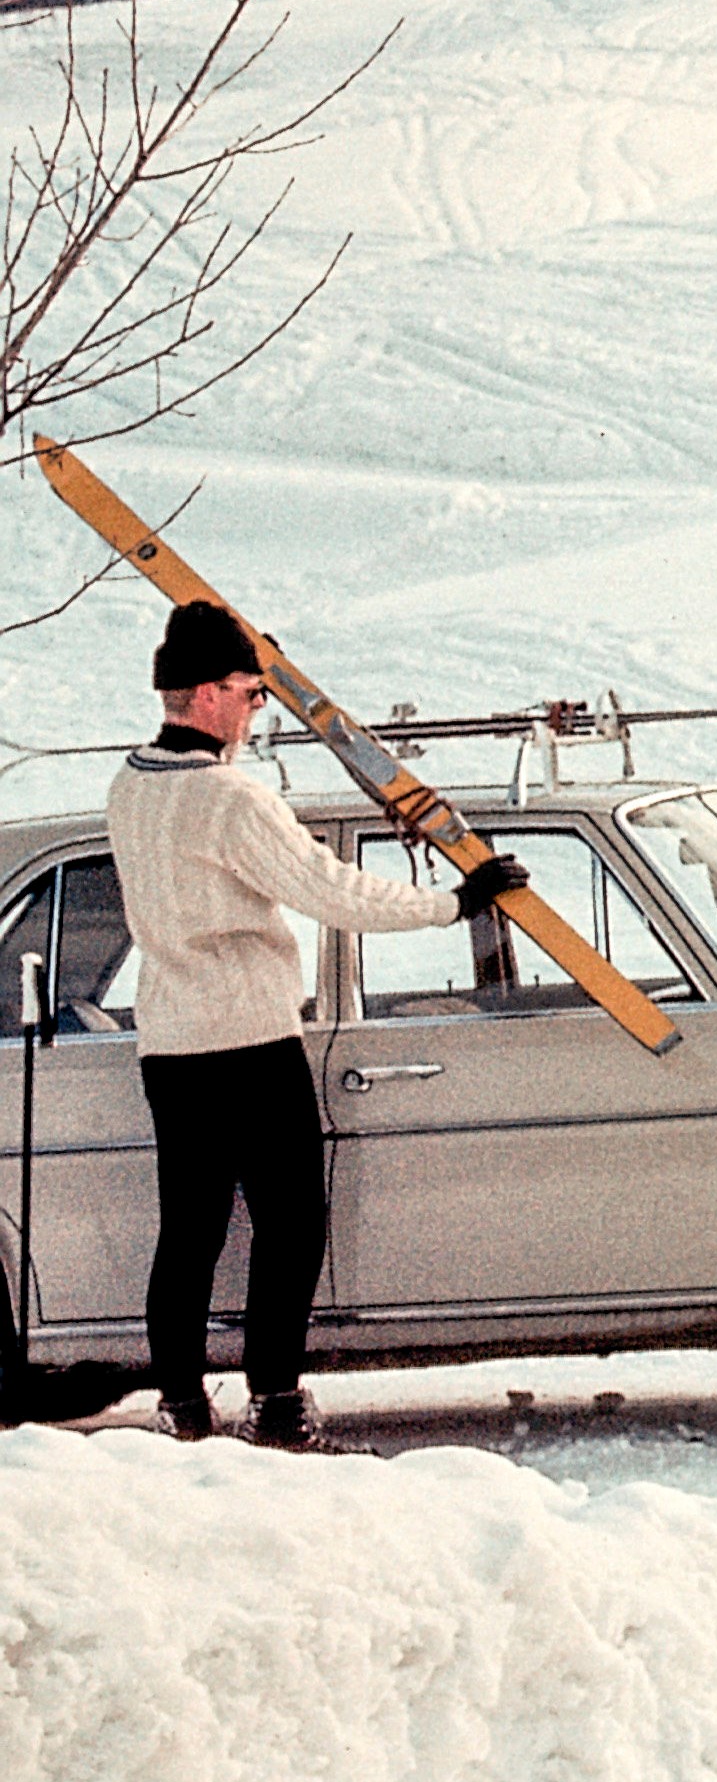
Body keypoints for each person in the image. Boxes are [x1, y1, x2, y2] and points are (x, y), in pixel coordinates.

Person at [106, 598, 526, 1446]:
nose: (259, 710)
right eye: (253, 693)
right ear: (210, 694)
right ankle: (277, 1406)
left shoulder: (130, 785)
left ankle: (183, 1409)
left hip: (172, 1045)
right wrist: (455, 905)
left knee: (189, 1229)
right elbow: (333, 893)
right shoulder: (228, 798)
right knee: (292, 1222)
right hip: (249, 1041)